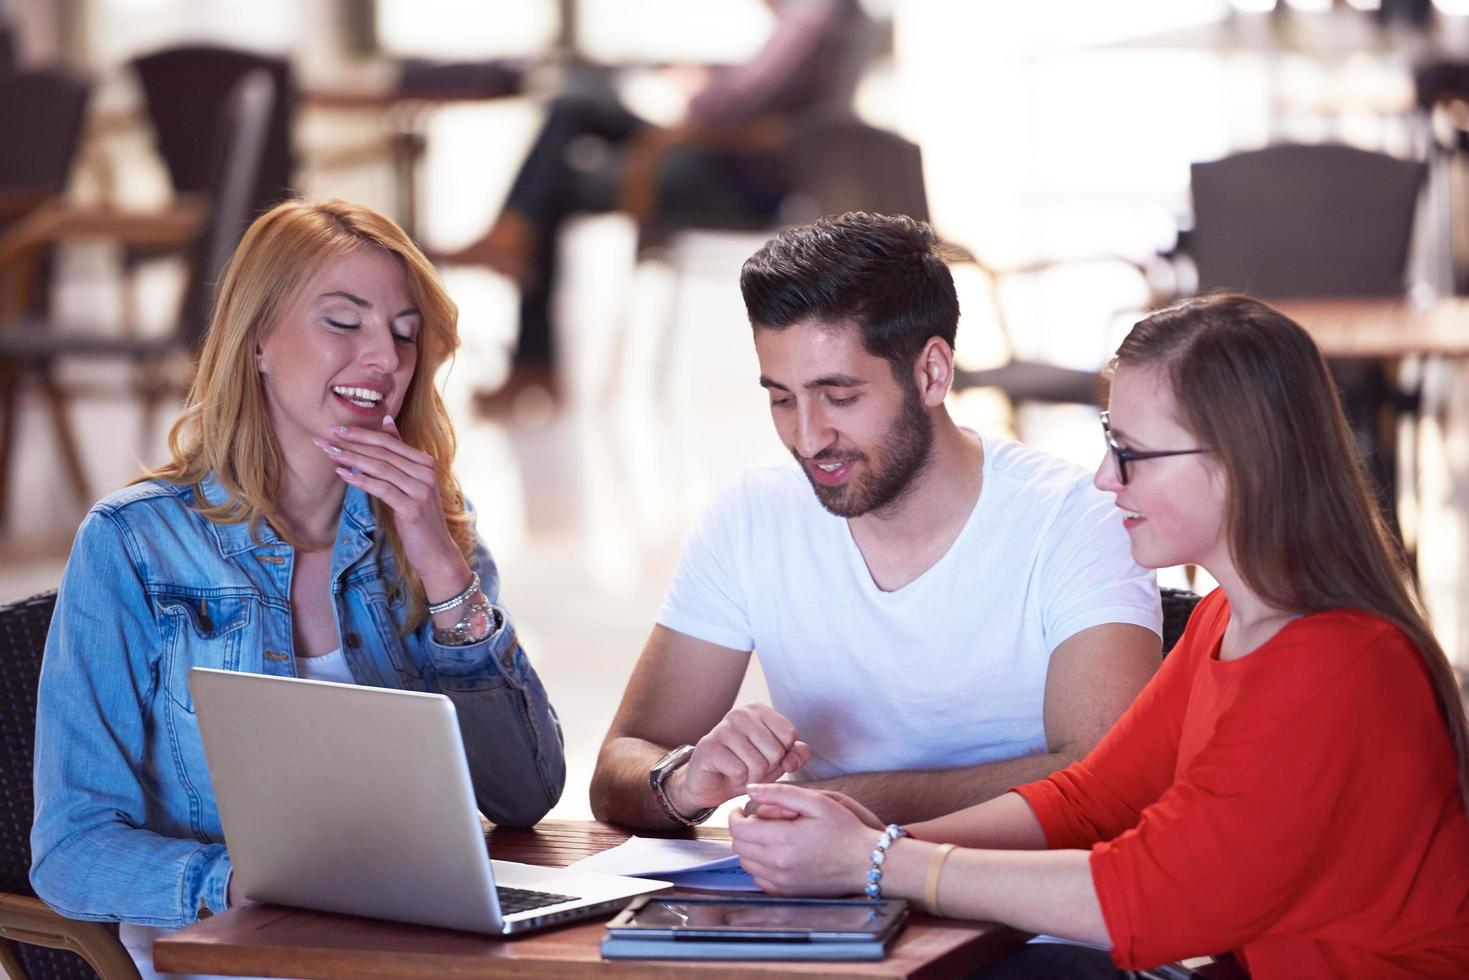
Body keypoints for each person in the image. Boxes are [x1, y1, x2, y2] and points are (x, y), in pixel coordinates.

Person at [727, 294, 1469, 978]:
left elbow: (1148, 897)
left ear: (1242, 462)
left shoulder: (1332, 661)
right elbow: (1089, 802)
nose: (1103, 480)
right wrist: (885, 839)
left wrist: (878, 860)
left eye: (1132, 453)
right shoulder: (1228, 620)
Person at [29, 200, 566, 976]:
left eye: (405, 333)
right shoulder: (134, 544)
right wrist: (238, 885)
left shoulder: (427, 530)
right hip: (230, 958)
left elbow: (525, 795)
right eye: (343, 323)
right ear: (257, 343)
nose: (384, 356)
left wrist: (445, 573)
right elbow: (72, 850)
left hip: (405, 953)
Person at [590, 211, 1163, 830]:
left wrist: (848, 805)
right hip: (817, 903)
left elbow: (1107, 781)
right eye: (782, 398)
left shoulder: (1075, 520)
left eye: (840, 397)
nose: (808, 438)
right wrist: (685, 779)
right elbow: (620, 766)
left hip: (1023, 906)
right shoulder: (751, 514)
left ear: (932, 373)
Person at [443, 0, 864, 404]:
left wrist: (697, 87)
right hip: (709, 155)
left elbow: (724, 109)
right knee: (578, 98)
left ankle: (529, 335)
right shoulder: (815, 13)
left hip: (728, 176)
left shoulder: (814, 13)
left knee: (562, 180)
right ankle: (514, 237)